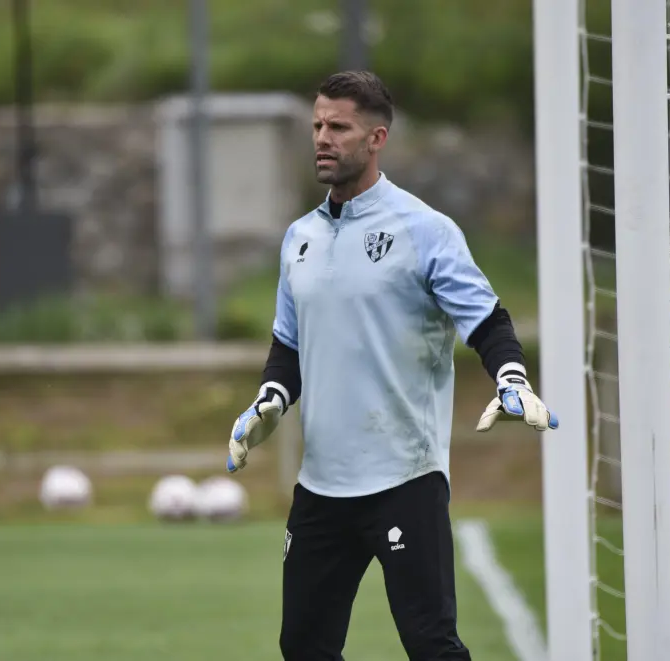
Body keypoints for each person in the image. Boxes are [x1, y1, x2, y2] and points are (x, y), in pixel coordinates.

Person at [225, 70, 558, 661]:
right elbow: (289, 346)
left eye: (339, 127)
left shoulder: (425, 231)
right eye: (317, 126)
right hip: (321, 485)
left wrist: (512, 378)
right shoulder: (298, 238)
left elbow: (488, 321)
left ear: (376, 138)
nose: (323, 138)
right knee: (302, 646)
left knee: (432, 646)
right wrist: (270, 398)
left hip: (404, 479)